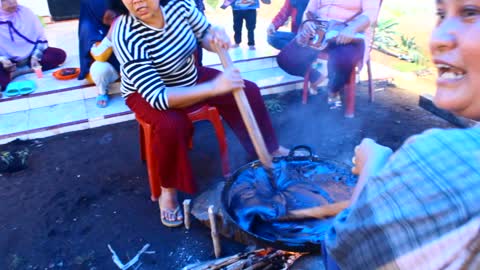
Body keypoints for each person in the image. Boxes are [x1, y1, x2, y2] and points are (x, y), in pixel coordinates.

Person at [323, 0, 480, 268]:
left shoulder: (442, 154)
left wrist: (374, 164)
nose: (437, 38)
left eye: (470, 12)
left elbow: (341, 252)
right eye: (440, 14)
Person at [110, 0, 288, 227]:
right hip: (146, 93)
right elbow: (158, 97)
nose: (136, 0)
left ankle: (268, 149)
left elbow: (203, 33)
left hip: (188, 77)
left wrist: (216, 38)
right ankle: (168, 190)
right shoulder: (125, 32)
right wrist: (214, 88)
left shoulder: (180, 7)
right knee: (172, 125)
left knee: (248, 90)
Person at [277, 0, 380, 108]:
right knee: (286, 59)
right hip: (320, 30)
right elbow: (309, 10)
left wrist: (352, 29)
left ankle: (334, 90)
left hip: (351, 32)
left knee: (343, 59)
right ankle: (316, 77)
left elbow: (371, 13)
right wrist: (308, 22)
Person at [0, 0, 66, 91]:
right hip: (7, 63)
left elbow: (40, 37)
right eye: (5, 0)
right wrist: (2, 59)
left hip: (30, 57)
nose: (12, 2)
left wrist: (35, 56)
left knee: (59, 54)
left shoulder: (25, 12)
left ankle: (20, 71)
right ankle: (14, 72)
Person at [78, 0, 120, 108]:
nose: (112, 13)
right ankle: (102, 92)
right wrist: (112, 30)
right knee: (99, 68)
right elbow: (100, 56)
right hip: (109, 70)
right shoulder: (89, 26)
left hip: (125, 66)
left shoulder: (123, 16)